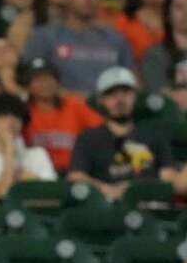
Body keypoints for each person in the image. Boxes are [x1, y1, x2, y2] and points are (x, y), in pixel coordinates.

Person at [68, 67, 187, 201]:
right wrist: (106, 189)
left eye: (125, 92)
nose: (120, 99)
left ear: (135, 96)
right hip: (104, 204)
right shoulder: (89, 138)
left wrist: (135, 189)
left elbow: (169, 176)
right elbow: (76, 176)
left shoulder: (153, 135)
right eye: (111, 93)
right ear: (101, 100)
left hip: (147, 202)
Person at [23, 0, 135, 96]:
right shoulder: (44, 37)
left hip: (108, 111)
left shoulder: (117, 40)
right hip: (64, 112)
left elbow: (130, 83)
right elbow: (31, 82)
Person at [0, 94, 57, 198]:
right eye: (5, 115)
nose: (12, 121)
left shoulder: (37, 154)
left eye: (17, 117)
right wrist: (9, 151)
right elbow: (2, 194)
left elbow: (52, 196)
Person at [141, 0, 187, 106]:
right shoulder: (155, 55)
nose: (186, 12)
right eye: (179, 7)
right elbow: (157, 97)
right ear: (168, 14)